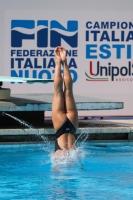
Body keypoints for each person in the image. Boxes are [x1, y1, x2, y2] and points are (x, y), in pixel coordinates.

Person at [52, 46, 78, 156]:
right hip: (60, 126)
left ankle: (64, 62)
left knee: (68, 91)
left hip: (72, 125)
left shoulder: (71, 155)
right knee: (58, 91)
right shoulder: (60, 154)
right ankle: (59, 62)